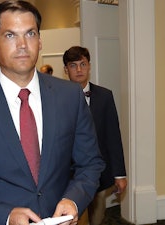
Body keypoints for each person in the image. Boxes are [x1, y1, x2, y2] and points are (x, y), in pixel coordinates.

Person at [0, 1, 105, 225]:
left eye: (30, 33)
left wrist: (73, 200)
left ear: (40, 40)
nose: (23, 44)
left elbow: (91, 163)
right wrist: (4, 216)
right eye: (10, 35)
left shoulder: (70, 96)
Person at [63, 46, 127, 225]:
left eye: (83, 64)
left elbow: (113, 136)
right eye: (73, 65)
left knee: (97, 219)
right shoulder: (56, 98)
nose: (79, 69)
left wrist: (119, 174)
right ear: (66, 69)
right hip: (68, 176)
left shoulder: (105, 96)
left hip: (98, 173)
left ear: (89, 66)